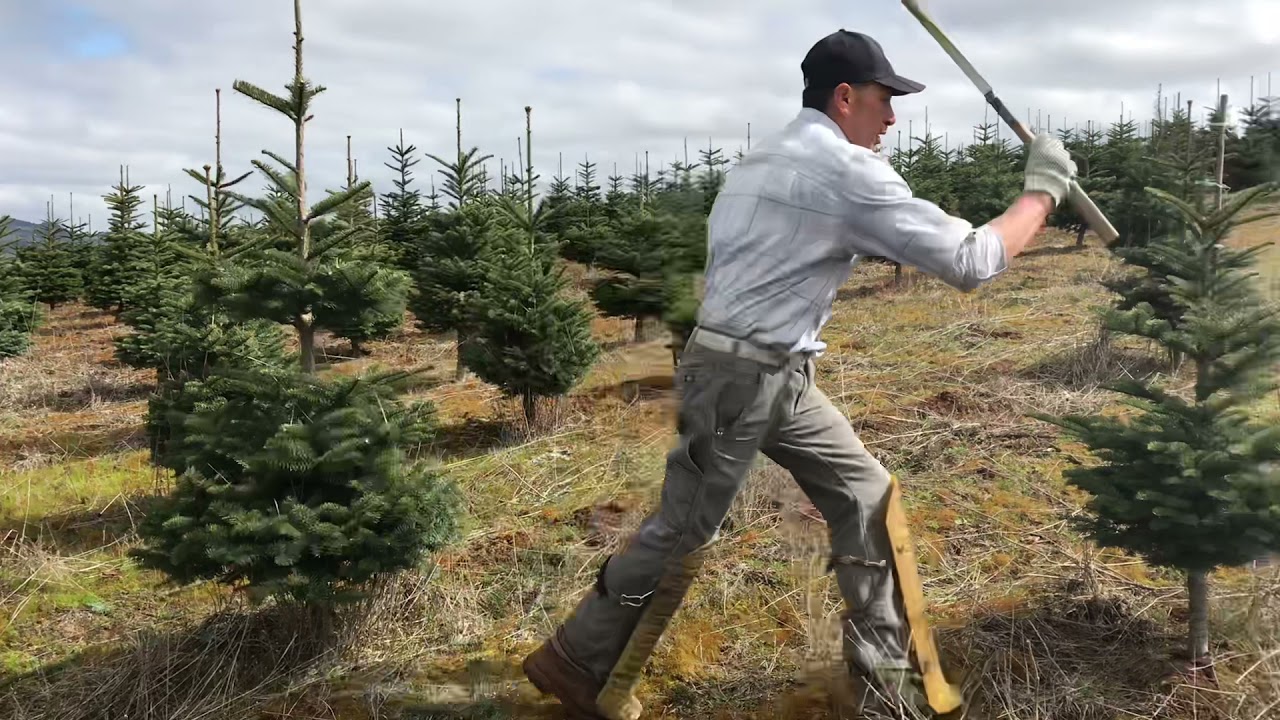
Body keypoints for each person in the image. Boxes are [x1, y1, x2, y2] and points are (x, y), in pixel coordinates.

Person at [523, 28, 1077, 719]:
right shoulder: (843, 171)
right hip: (739, 376)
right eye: (884, 99)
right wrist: (1041, 193)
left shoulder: (758, 162)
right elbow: (970, 261)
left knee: (868, 498)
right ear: (845, 98)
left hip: (776, 372)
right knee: (683, 532)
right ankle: (579, 663)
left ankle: (886, 687)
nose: (892, 117)